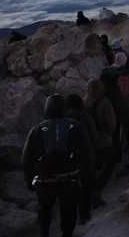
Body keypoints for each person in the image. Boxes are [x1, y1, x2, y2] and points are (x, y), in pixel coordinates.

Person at [22, 94, 92, 237]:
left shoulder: (36, 129)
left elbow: (26, 159)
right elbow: (88, 154)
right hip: (69, 178)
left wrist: (29, 180)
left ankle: (44, 233)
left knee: (45, 210)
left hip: (44, 180)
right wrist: (87, 177)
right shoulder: (76, 126)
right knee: (69, 213)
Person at [84, 79, 117, 206]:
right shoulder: (105, 103)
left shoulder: (84, 102)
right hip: (103, 142)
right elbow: (112, 125)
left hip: (87, 143)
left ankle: (90, 192)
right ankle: (96, 191)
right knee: (110, 164)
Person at [101, 52, 129, 155]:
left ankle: (118, 148)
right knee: (128, 127)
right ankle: (128, 146)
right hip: (126, 107)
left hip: (116, 106)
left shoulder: (108, 73)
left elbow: (105, 90)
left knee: (117, 128)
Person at [65, 94, 96, 224]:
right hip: (84, 156)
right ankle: (84, 215)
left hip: (67, 159)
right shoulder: (84, 116)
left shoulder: (63, 119)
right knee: (85, 185)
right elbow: (92, 135)